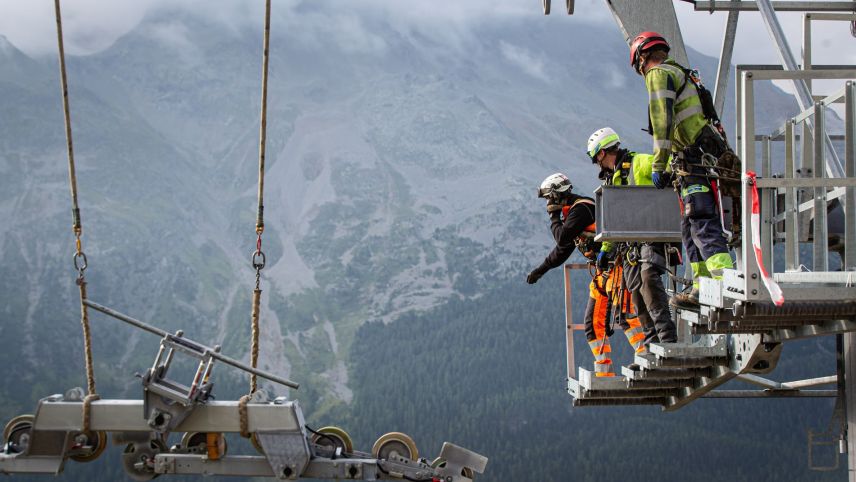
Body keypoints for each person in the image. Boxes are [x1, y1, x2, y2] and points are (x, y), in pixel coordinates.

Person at [629, 31, 735, 307]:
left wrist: (659, 164)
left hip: (694, 159)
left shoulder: (658, 75)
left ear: (641, 58)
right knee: (689, 228)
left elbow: (662, 123)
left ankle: (724, 281)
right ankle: (701, 287)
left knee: (700, 220)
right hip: (696, 160)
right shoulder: (682, 74)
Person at [527, 173, 646, 377]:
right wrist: (540, 270)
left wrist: (553, 217)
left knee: (625, 316)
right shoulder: (573, 213)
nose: (547, 203)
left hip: (618, 266)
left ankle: (646, 358)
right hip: (603, 272)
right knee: (593, 322)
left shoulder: (581, 209)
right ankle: (604, 370)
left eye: (548, 198)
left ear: (556, 196)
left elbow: (562, 239)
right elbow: (561, 252)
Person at [587, 127, 677, 344]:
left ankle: (666, 338)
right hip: (629, 245)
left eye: (595, 158)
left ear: (600, 153)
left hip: (653, 235)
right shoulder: (611, 182)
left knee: (648, 279)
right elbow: (615, 220)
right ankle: (651, 341)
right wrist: (606, 251)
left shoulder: (638, 163)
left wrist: (663, 174)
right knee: (635, 291)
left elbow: (666, 164)